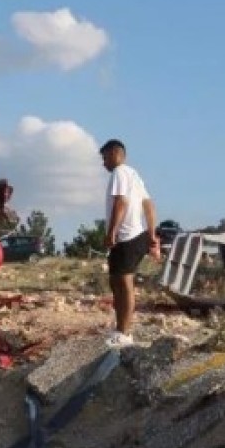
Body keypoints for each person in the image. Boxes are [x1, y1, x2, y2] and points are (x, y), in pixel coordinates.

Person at [99, 139, 160, 348]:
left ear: (115, 153)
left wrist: (111, 232)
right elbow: (149, 205)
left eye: (105, 157)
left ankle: (124, 333)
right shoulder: (134, 175)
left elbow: (121, 202)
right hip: (137, 236)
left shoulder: (119, 173)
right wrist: (151, 234)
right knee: (117, 283)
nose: (104, 163)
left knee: (123, 285)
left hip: (126, 237)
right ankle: (120, 329)